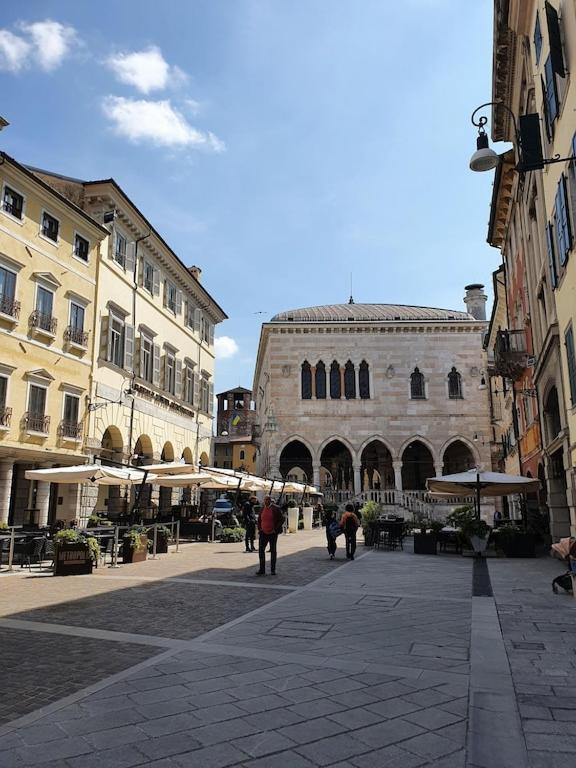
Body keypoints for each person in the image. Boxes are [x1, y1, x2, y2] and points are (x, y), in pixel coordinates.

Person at [256, 495, 284, 576]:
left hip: (272, 533)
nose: (266, 501)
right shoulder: (262, 508)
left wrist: (275, 529)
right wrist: (260, 528)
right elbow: (259, 520)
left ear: (270, 500)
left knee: (273, 551)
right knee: (261, 550)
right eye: (265, 500)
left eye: (267, 500)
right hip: (263, 533)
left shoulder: (276, 508)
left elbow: (282, 519)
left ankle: (273, 570)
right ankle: (262, 569)